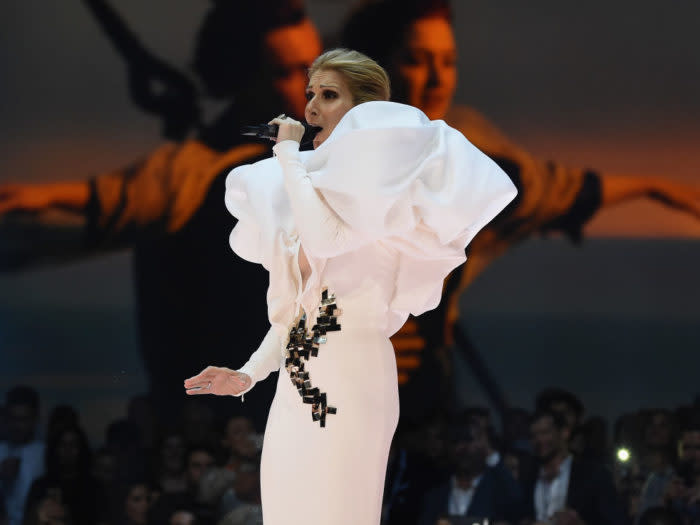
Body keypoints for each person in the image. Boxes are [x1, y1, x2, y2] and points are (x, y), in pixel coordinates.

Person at [183, 48, 517, 524]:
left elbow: (329, 239)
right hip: (297, 387)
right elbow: (301, 315)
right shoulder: (304, 187)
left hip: (354, 379)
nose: (311, 108)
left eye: (329, 95)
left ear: (365, 111)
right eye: (310, 95)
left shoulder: (382, 194)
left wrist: (287, 154)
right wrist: (249, 374)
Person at [341, 0, 700, 423]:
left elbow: (550, 188)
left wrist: (653, 187)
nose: (438, 79)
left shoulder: (469, 152)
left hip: (417, 394)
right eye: (416, 60)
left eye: (449, 62)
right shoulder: (324, 149)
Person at [0, 1, 323, 432]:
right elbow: (141, 193)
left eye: (313, 73)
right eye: (286, 73)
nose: (308, 94)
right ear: (243, 79)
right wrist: (48, 196)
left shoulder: (322, 154)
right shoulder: (210, 169)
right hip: (227, 399)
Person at [523, 409, 625, 525]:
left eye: (545, 432)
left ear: (564, 432)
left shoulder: (593, 474)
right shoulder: (528, 476)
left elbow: (616, 520)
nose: (539, 440)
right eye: (533, 436)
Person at [0, 386, 45, 525]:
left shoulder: (45, 453)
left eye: (24, 419)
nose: (18, 426)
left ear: (35, 419)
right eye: (13, 419)